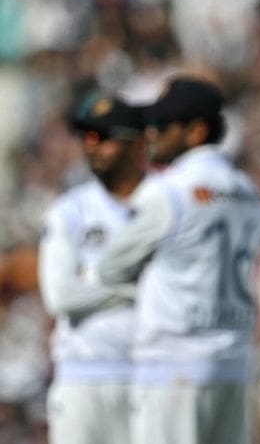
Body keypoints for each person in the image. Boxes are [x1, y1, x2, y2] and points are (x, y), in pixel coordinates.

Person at [95, 76, 260, 444]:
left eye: (161, 126)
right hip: (233, 363)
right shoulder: (249, 192)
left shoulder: (167, 190)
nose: (151, 134)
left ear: (196, 131)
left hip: (172, 362)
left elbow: (110, 267)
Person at [38, 93, 146, 444]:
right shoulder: (70, 211)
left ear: (135, 142)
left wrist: (93, 280)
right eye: (87, 137)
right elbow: (61, 296)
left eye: (103, 137)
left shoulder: (164, 205)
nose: (92, 147)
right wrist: (133, 288)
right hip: (82, 379)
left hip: (151, 376)